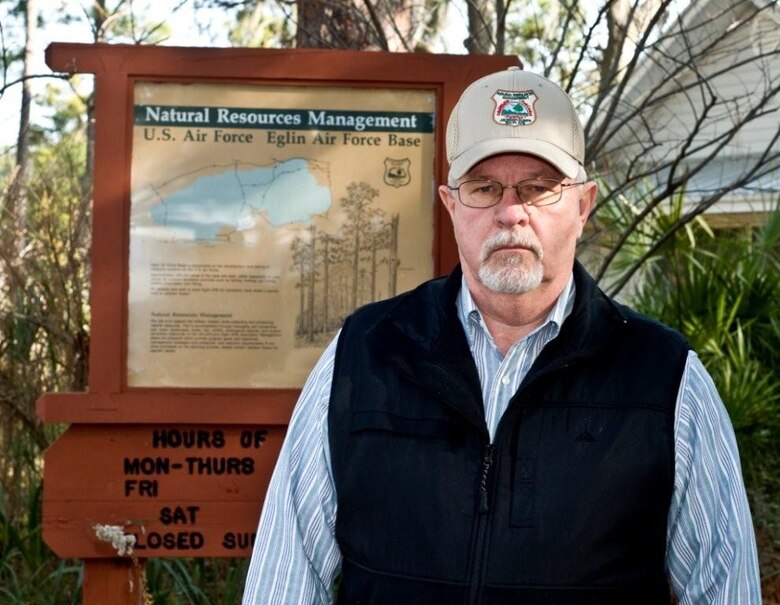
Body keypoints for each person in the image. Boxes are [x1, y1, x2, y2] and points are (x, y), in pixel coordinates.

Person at [243, 67, 761, 605]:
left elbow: (726, 589)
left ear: (582, 207)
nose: (510, 213)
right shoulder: (365, 354)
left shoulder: (666, 379)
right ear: (450, 205)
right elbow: (286, 579)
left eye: (539, 188)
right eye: (484, 188)